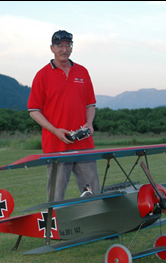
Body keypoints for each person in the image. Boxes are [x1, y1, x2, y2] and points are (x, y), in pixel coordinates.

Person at [27, 30, 100, 202]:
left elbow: (90, 104)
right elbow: (33, 110)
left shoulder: (82, 72)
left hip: (84, 144)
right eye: (60, 46)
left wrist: (89, 123)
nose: (64, 49)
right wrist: (54, 130)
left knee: (93, 191)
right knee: (56, 195)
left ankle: (94, 226)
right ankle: (54, 226)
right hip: (55, 145)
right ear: (52, 48)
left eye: (68, 45)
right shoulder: (42, 75)